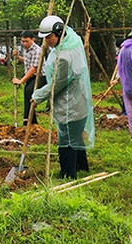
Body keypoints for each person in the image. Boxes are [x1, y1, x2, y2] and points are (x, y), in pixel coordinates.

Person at [31, 15, 95, 179]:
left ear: (59, 33)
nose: (47, 41)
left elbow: (57, 84)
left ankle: (68, 173)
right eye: (44, 38)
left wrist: (38, 96)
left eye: (49, 37)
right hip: (78, 100)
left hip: (70, 105)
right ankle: (82, 167)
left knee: (67, 142)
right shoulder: (73, 41)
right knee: (77, 138)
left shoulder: (65, 57)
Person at [11, 31, 45, 126]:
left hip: (41, 77)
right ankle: (32, 121)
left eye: (27, 41)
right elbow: (26, 62)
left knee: (30, 92)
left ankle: (27, 120)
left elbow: (34, 68)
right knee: (28, 95)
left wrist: (21, 81)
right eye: (22, 41)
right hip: (31, 77)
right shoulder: (26, 49)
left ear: (32, 39)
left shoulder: (37, 51)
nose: (24, 43)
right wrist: (17, 56)